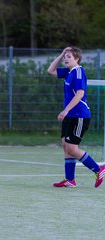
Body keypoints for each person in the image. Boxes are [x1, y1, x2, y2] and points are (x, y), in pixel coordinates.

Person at [48, 46, 105, 188]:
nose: (66, 59)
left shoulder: (78, 72)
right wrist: (61, 54)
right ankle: (70, 180)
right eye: (65, 57)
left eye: (69, 57)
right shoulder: (69, 71)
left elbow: (79, 94)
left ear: (77, 59)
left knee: (72, 148)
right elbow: (51, 70)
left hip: (79, 116)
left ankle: (99, 170)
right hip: (70, 115)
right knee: (65, 146)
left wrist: (65, 110)